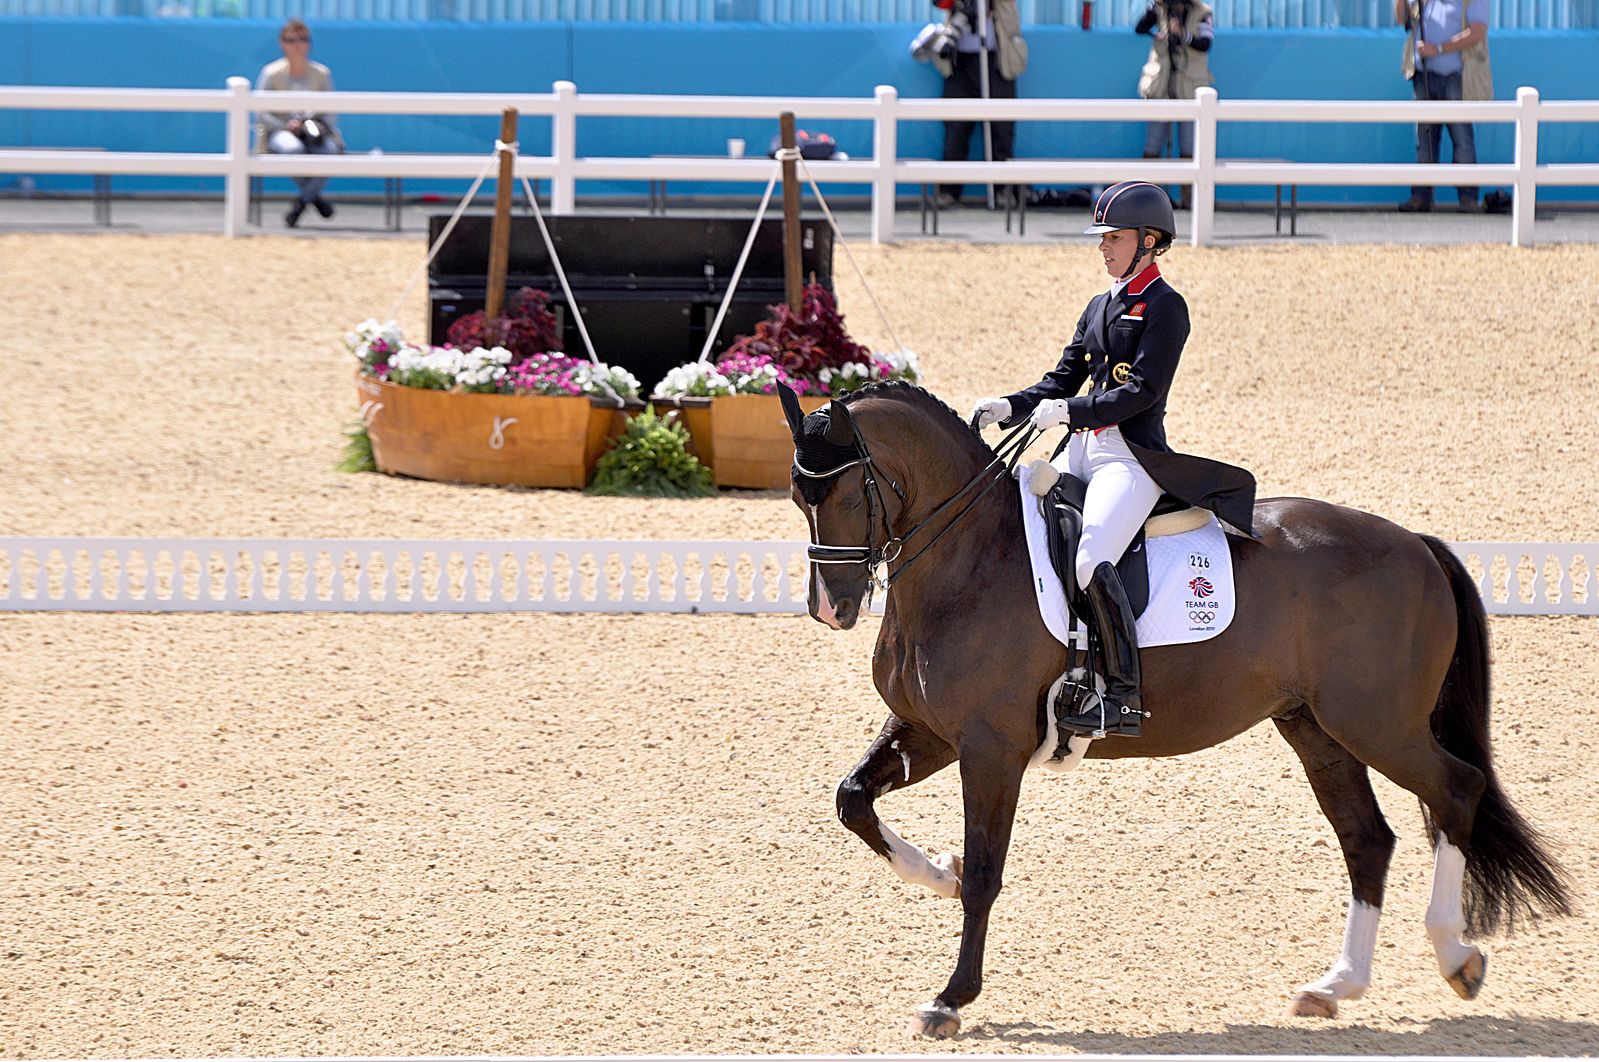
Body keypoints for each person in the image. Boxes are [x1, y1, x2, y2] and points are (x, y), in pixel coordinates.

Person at [969, 181, 1255, 739]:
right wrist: (1012, 405)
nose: (1103, 247)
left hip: (1129, 457)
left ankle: (1121, 695)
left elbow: (1143, 391)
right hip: (1078, 450)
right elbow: (1061, 378)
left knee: (1089, 555)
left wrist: (1069, 411)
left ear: (1149, 241)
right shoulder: (1099, 306)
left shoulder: (1166, 307)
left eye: (1114, 238)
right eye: (1102, 238)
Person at [913, 0, 1027, 209]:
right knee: (956, 128)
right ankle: (949, 191)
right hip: (960, 62)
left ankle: (1003, 191)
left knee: (1001, 129)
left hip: (997, 62)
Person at [1396, 0, 1488, 212]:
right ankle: (1422, 197)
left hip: (1456, 76)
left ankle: (1468, 198)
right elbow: (1403, 19)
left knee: (1462, 137)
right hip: (1424, 76)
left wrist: (1438, 49)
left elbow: (1477, 32)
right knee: (1425, 138)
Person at [256, 19, 345, 228]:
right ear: (282, 43)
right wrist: (285, 125)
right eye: (291, 40)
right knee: (293, 150)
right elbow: (261, 112)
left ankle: (302, 202)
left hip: (316, 130)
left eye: (303, 39)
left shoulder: (322, 73)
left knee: (328, 152)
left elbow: (332, 110)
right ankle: (313, 199)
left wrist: (322, 125)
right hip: (281, 131)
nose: (297, 45)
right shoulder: (271, 73)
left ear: (309, 44)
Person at [1134, 0, 1214, 211]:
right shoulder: (1159, 9)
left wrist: (1183, 35)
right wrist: (1155, 13)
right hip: (1162, 86)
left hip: (1189, 87)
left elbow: (1206, 44)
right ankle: (1149, 198)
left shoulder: (1202, 12)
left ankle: (1189, 197)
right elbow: (1139, 27)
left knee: (1189, 144)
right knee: (1153, 143)